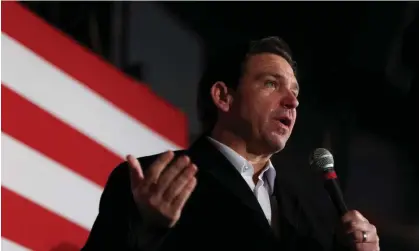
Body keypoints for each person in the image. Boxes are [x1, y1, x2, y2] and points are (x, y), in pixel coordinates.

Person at [82, 36, 380, 251]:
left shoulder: (306, 216)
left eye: (295, 91)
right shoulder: (150, 182)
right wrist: (145, 230)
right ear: (224, 97)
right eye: (270, 84)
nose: (292, 101)